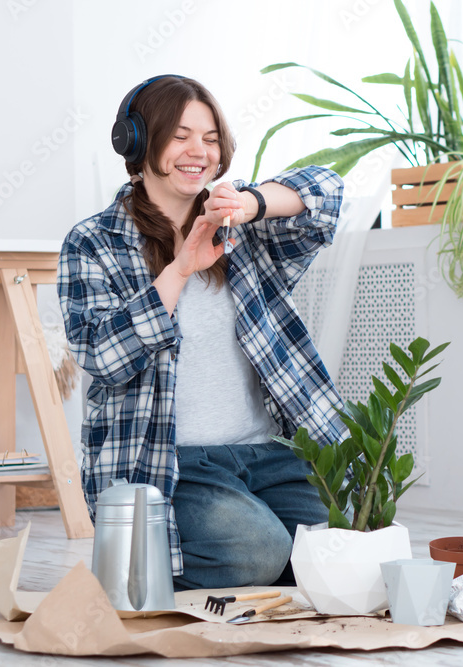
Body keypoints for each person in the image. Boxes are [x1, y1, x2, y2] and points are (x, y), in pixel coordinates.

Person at [58, 75, 346, 590]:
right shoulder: (92, 242)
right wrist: (181, 266)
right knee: (260, 552)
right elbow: (102, 356)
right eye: (180, 135)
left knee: (352, 536)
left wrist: (249, 205)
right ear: (138, 143)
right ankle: (159, 562)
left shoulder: (242, 232)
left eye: (211, 138)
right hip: (172, 464)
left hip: (265, 454)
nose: (199, 152)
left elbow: (327, 192)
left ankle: (270, 560)